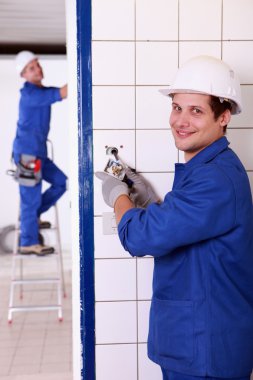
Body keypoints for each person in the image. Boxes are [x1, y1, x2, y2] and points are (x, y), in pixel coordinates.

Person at [96, 56, 253, 380]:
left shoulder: (214, 179)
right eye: (177, 107)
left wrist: (118, 196)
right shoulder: (207, 169)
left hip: (205, 350)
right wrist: (148, 202)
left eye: (196, 110)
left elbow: (140, 238)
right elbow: (187, 230)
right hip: (197, 342)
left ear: (223, 117)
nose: (181, 120)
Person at [13, 50, 68, 256]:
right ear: (24, 75)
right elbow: (62, 93)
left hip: (39, 154)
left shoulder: (39, 91)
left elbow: (60, 92)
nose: (37, 69)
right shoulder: (30, 94)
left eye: (37, 64)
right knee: (30, 198)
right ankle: (28, 241)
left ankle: (33, 217)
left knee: (61, 182)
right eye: (31, 68)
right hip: (28, 156)